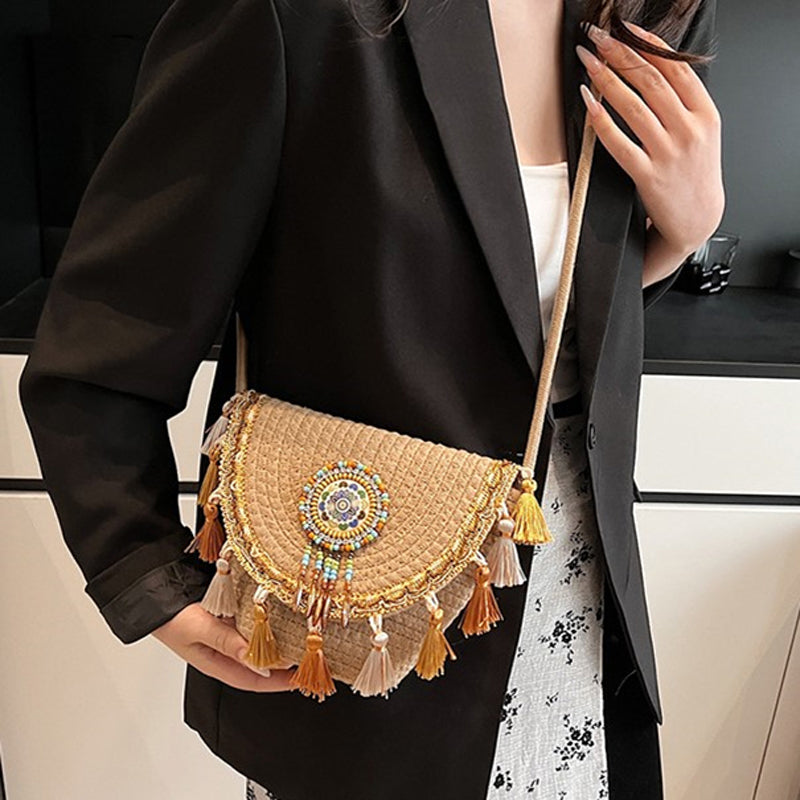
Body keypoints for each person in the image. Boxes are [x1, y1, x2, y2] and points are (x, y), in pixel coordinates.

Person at [18, 0, 723, 797]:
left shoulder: (656, 9)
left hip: (579, 613)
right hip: (362, 628)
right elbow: (109, 334)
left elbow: (551, 324)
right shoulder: (292, 13)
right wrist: (143, 571)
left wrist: (682, 231)